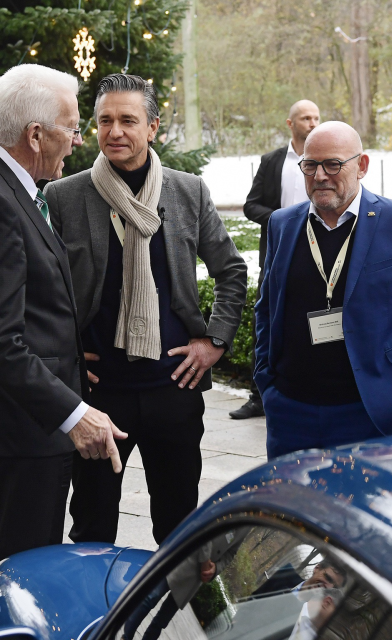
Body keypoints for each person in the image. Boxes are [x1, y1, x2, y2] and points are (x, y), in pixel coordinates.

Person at [45, 74, 247, 545]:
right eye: (105, 121)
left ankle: (174, 619)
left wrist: (215, 340)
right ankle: (96, 619)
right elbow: (43, 293)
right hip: (98, 398)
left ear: (153, 127)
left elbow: (231, 271)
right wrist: (66, 358)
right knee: (93, 528)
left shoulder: (187, 192)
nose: (115, 131)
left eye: (128, 120)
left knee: (180, 532)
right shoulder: (64, 197)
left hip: (173, 388)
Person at [255, 121, 392, 459]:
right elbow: (267, 306)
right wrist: (267, 383)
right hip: (290, 411)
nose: (319, 175)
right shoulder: (282, 224)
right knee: (293, 509)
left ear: (362, 166)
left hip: (369, 410)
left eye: (333, 164)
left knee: (364, 509)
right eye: (310, 164)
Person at [0, 64, 125, 560]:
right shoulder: (5, 204)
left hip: (31, 434)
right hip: (22, 442)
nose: (79, 140)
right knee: (22, 577)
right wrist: (75, 415)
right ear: (35, 134)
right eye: (73, 127)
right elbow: (4, 342)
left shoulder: (22, 194)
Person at [230, 99, 320, 420]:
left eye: (316, 118)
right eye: (305, 118)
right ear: (290, 123)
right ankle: (259, 397)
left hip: (321, 259)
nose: (312, 123)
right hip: (277, 258)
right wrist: (282, 219)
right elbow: (251, 205)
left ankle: (309, 391)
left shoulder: (325, 159)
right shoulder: (272, 161)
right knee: (265, 324)